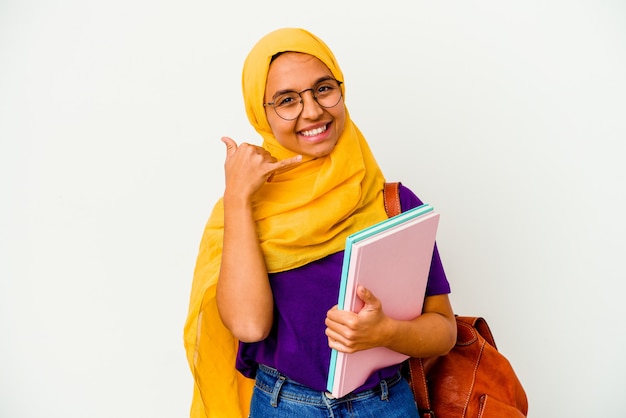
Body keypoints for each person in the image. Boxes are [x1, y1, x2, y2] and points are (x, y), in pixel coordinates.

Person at [184, 27, 457, 418]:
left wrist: (386, 334)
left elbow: (443, 331)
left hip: (383, 404)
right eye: (287, 100)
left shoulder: (391, 204)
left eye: (324, 89)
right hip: (283, 406)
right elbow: (249, 326)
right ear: (260, 113)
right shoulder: (246, 210)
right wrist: (239, 199)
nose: (312, 111)